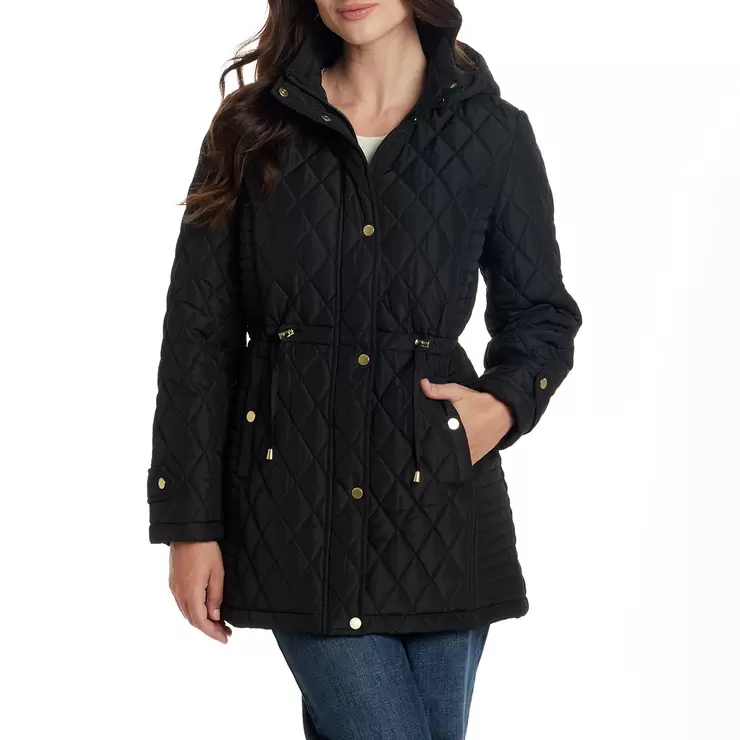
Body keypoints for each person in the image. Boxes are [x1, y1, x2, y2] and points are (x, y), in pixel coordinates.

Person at [146, 1, 582, 737]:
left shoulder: (494, 134)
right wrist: (189, 525)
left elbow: (541, 314)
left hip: (438, 513)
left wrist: (502, 406)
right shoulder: (251, 130)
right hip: (294, 519)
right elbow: (198, 337)